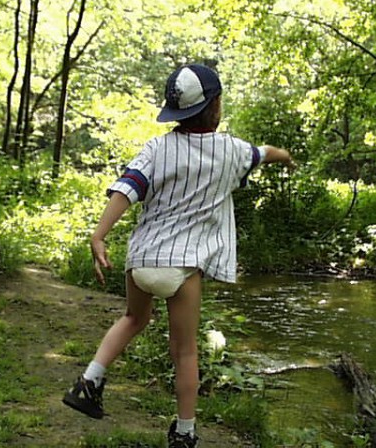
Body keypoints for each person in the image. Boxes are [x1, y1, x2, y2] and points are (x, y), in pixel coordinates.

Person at [63, 64, 294, 448]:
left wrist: (99, 235)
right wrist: (286, 158)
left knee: (134, 318)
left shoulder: (157, 147)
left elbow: (128, 187)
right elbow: (264, 153)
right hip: (183, 265)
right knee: (185, 352)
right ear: (216, 105)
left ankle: (88, 383)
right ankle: (184, 434)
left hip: (142, 260)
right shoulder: (232, 152)